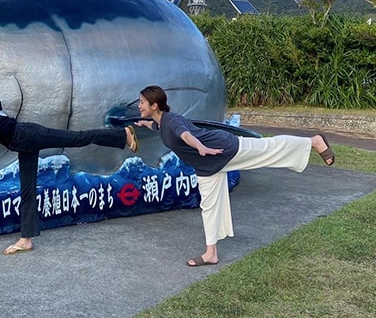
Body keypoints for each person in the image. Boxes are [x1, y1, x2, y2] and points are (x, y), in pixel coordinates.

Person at [135, 85, 335, 267]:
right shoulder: (160, 123)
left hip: (223, 149)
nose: (139, 105)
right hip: (207, 166)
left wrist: (200, 147)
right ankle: (211, 253)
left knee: (269, 148)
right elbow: (161, 130)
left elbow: (186, 135)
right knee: (209, 206)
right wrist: (145, 125)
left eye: (142, 102)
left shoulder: (173, 121)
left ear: (154, 105)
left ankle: (313, 141)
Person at [0, 74, 139, 255]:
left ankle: (123, 135)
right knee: (27, 190)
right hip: (22, 142)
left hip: (26, 135)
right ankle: (26, 239)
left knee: (78, 138)